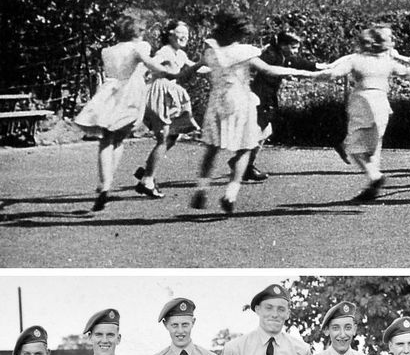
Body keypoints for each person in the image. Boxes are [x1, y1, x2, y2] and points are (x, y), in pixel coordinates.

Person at [189, 12, 313, 215]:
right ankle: (230, 193)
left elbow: (194, 69)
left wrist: (177, 74)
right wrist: (304, 72)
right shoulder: (243, 51)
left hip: (217, 101)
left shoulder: (211, 51)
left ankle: (202, 188)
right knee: (246, 147)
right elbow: (269, 70)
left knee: (212, 148)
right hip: (239, 100)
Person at [310, 26, 410, 202]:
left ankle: (374, 176)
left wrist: (309, 75)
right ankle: (371, 188)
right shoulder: (387, 62)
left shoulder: (356, 60)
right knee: (374, 146)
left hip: (362, 102)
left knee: (352, 147)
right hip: (382, 103)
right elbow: (408, 73)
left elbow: (333, 74)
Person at [72, 15, 179, 211]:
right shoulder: (139, 47)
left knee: (105, 140)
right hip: (129, 94)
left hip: (108, 93)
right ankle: (107, 182)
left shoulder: (108, 50)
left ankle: (105, 184)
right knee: (119, 139)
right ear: (137, 33)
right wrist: (170, 71)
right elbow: (150, 64)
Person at [134, 19, 204, 197]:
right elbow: (150, 64)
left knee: (171, 136)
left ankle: (148, 171)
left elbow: (192, 67)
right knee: (164, 138)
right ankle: (147, 180)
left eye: (187, 34)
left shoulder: (179, 54)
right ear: (170, 34)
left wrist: (213, 67)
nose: (185, 37)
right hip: (159, 92)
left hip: (169, 94)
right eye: (181, 33)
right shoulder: (165, 51)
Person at [248, 31, 325, 183]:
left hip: (267, 98)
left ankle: (246, 164)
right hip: (261, 98)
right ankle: (243, 164)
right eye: (294, 48)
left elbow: (297, 62)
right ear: (283, 45)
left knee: (264, 132)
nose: (296, 52)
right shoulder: (270, 56)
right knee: (259, 133)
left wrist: (317, 66)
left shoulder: (281, 56)